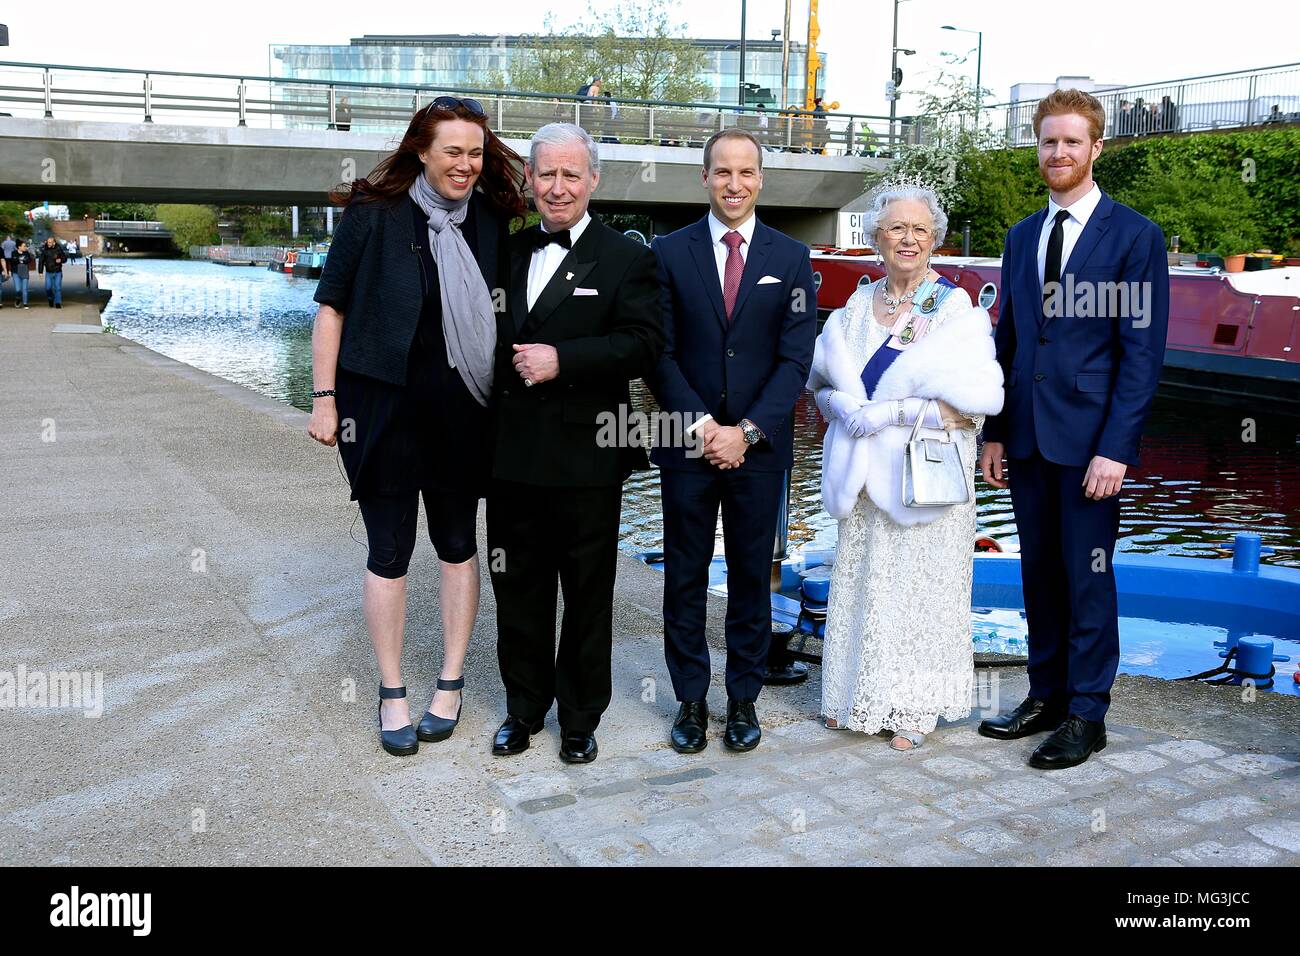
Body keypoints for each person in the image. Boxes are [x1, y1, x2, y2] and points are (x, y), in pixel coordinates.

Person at [307, 96, 526, 757]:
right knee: (389, 552)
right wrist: (324, 399)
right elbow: (331, 310)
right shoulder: (373, 214)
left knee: (459, 545)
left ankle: (451, 682)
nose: (466, 164)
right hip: (383, 411)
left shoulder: (488, 219)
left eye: (476, 153)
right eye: (453, 151)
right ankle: (392, 689)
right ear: (422, 151)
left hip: (465, 413)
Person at [978, 89, 1169, 770]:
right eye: (1047, 142)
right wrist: (994, 432)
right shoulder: (1022, 235)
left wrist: (1116, 448)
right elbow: (1009, 339)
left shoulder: (1134, 236)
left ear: (1096, 147)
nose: (1057, 153)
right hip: (1027, 436)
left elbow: (1142, 352)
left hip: (1091, 444)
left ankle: (1088, 714)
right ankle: (1046, 696)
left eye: (1070, 142)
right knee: (1039, 574)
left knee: (1088, 578)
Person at [487, 123, 664, 765]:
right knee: (517, 588)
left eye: (570, 174)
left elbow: (644, 344)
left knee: (588, 594)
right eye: (545, 174)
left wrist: (564, 358)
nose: (557, 187)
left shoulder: (627, 257)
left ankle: (581, 717)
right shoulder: (504, 252)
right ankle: (522, 708)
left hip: (589, 458)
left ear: (593, 180)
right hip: (510, 458)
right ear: (529, 180)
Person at [806, 183, 1004, 750]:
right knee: (865, 577)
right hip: (865, 474)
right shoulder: (852, 308)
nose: (909, 239)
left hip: (922, 474)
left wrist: (890, 411)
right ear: (875, 238)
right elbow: (822, 383)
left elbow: (972, 405)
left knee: (919, 587)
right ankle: (854, 693)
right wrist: (839, 405)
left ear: (935, 239)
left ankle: (914, 706)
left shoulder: (955, 309)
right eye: (896, 228)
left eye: (920, 230)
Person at [647, 127, 817, 754]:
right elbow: (658, 354)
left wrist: (744, 432)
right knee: (684, 576)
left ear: (761, 179)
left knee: (752, 577)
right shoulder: (667, 253)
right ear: (705, 177)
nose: (735, 184)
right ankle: (691, 700)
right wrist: (703, 428)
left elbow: (795, 360)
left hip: (760, 450)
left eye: (746, 172)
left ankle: (743, 699)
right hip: (686, 446)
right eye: (723, 172)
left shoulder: (790, 258)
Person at [38, 237, 66, 308]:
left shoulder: (58, 249)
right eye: (48, 242)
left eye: (50, 242)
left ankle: (58, 303)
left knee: (57, 288)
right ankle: (50, 299)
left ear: (54, 242)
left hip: (57, 272)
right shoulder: (44, 250)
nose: (49, 244)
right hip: (49, 272)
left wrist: (61, 260)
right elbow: (41, 261)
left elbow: (65, 258)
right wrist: (40, 272)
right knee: (48, 288)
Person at [9, 241, 34, 308]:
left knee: (25, 289)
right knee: (18, 289)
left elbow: (28, 260)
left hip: (24, 272)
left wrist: (19, 260)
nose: (25, 247)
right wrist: (22, 260)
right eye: (24, 246)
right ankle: (18, 299)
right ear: (19, 247)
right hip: (16, 272)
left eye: (25, 246)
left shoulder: (26, 253)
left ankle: (25, 303)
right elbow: (13, 261)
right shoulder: (14, 253)